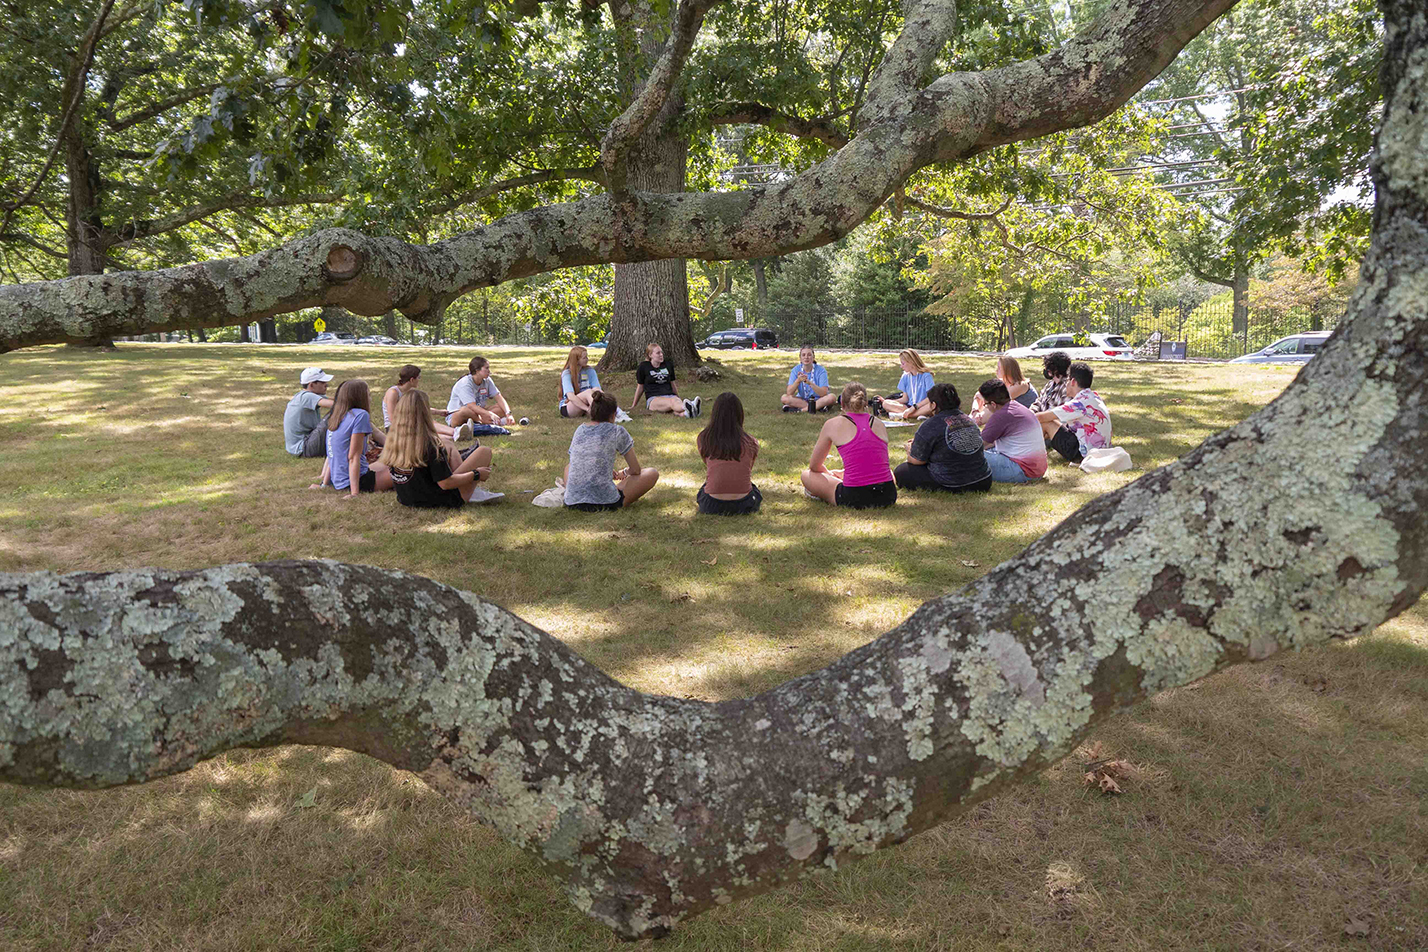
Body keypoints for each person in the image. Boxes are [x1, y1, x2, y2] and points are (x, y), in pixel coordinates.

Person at [379, 389, 497, 508]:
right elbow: (445, 483)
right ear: (425, 413)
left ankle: (467, 483)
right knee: (484, 451)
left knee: (447, 443)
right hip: (438, 500)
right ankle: (470, 490)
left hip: (407, 498)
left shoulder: (393, 439)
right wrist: (476, 474)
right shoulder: (430, 444)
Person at [800, 382, 897, 508]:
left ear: (842, 404)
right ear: (866, 403)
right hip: (887, 495)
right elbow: (872, 460)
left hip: (854, 496)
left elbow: (814, 466)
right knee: (887, 471)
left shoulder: (832, 424)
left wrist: (829, 474)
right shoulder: (879, 423)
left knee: (806, 475)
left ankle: (822, 489)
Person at [564, 391, 659, 511]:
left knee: (569, 467)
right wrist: (623, 473)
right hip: (605, 503)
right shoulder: (617, 431)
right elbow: (635, 470)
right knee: (652, 473)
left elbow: (580, 462)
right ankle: (606, 493)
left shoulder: (580, 430)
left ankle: (572, 492)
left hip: (572, 502)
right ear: (613, 415)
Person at [893, 382, 992, 493]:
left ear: (934, 405)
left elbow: (917, 461)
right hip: (983, 480)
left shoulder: (930, 425)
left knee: (902, 471)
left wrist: (911, 450)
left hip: (952, 482)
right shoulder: (969, 421)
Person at [313, 379, 393, 497]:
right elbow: (353, 457)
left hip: (339, 481)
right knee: (406, 470)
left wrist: (324, 484)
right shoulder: (360, 415)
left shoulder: (337, 416)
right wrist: (354, 493)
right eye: (368, 395)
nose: (370, 399)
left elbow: (332, 454)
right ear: (360, 397)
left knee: (388, 463)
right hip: (357, 481)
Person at [695, 392, 761, 515]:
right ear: (740, 414)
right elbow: (748, 468)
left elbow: (708, 464)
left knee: (703, 488)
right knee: (754, 489)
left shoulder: (703, 438)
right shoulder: (751, 442)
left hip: (711, 504)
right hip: (744, 504)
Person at [1036, 361, 1113, 464]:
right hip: (1100, 450)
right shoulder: (1093, 396)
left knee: (1047, 423)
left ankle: (1026, 455)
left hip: (1085, 454)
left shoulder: (1079, 404)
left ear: (1072, 382)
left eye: (1067, 380)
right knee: (1053, 425)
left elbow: (1041, 417)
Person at [976, 379, 1048, 483]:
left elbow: (978, 446)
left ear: (993, 404)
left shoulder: (1000, 416)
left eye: (985, 404)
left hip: (1022, 470)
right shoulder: (1017, 407)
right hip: (1037, 469)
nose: (985, 407)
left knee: (969, 457)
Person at [384, 365, 474, 442]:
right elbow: (392, 418)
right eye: (418, 378)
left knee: (428, 424)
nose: (419, 380)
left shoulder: (409, 392)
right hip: (394, 428)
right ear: (412, 380)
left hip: (406, 424)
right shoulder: (393, 392)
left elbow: (420, 409)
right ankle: (456, 433)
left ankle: (456, 435)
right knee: (425, 428)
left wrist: (438, 412)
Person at [630, 342, 701, 418]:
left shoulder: (668, 365)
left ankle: (687, 414)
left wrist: (677, 397)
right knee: (671, 402)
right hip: (654, 398)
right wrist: (634, 405)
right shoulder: (644, 366)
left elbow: (672, 383)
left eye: (661, 352)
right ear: (650, 355)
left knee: (675, 402)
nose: (661, 355)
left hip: (670, 395)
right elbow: (640, 386)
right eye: (658, 353)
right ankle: (691, 405)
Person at [446, 355, 514, 428]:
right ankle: (486, 422)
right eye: (486, 368)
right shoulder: (465, 383)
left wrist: (508, 414)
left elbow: (498, 397)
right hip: (458, 415)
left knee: (500, 407)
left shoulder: (487, 380)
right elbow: (471, 406)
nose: (489, 371)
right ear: (477, 370)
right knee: (465, 410)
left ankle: (482, 423)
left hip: (478, 413)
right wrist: (490, 414)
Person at [283, 367, 335, 457]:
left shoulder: (304, 395)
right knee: (336, 413)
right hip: (303, 448)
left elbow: (336, 400)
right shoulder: (307, 397)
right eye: (322, 382)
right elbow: (335, 404)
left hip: (303, 445)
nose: (326, 385)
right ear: (311, 385)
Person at [873, 350, 935, 420]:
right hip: (908, 407)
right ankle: (917, 415)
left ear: (911, 362)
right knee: (886, 403)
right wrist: (888, 401)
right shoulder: (905, 376)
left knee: (932, 405)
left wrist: (914, 407)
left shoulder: (926, 376)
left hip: (922, 406)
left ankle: (904, 415)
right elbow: (905, 399)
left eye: (903, 363)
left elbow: (931, 397)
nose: (901, 366)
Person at [781, 345, 838, 413]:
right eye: (803, 355)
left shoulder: (821, 370)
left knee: (832, 397)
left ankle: (801, 410)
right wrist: (798, 381)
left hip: (819, 399)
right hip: (802, 400)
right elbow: (789, 392)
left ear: (813, 357)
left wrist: (810, 383)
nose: (806, 357)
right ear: (800, 358)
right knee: (784, 398)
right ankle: (818, 407)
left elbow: (823, 393)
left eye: (809, 355)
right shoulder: (795, 370)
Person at [559, 346, 603, 418]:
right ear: (576, 360)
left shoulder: (590, 371)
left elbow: (597, 389)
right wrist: (587, 409)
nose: (587, 359)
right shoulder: (567, 374)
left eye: (587, 357)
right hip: (569, 406)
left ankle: (616, 412)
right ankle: (601, 415)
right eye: (584, 358)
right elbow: (571, 396)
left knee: (597, 393)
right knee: (588, 392)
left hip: (587, 402)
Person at [1029, 350, 1072, 415]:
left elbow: (1062, 412)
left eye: (1047, 367)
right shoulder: (1050, 384)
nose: (1046, 370)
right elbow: (1039, 401)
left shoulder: (1067, 388)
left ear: (1055, 369)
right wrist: (1031, 413)